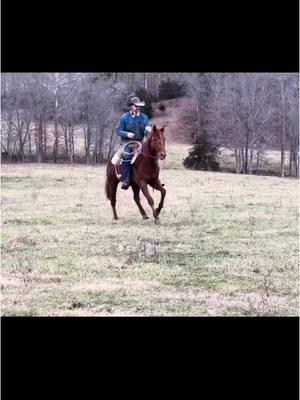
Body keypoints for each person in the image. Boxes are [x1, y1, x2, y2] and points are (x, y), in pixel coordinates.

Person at [116, 96, 152, 189]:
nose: (138, 108)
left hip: (139, 142)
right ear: (131, 106)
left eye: (139, 106)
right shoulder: (124, 118)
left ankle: (151, 178)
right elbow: (118, 131)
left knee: (148, 156)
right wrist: (127, 134)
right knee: (127, 156)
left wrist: (148, 131)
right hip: (126, 142)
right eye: (136, 106)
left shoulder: (144, 118)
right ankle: (125, 180)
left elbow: (146, 130)